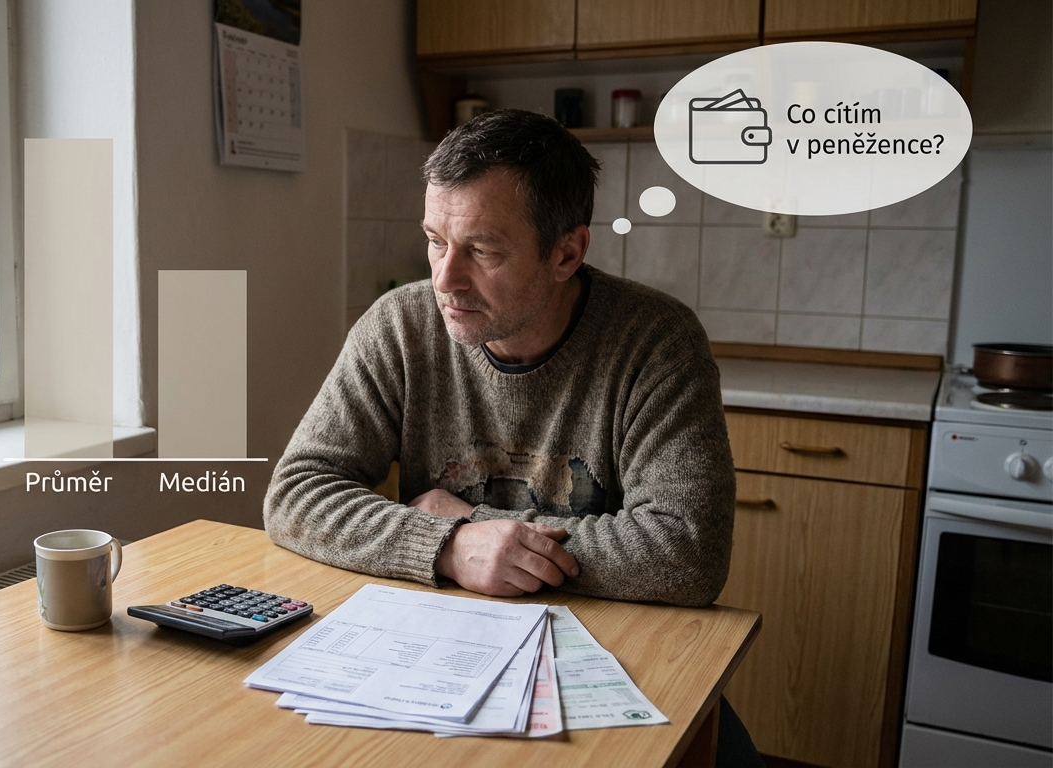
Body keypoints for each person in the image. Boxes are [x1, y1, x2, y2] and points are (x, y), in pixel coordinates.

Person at [264, 108, 762, 765]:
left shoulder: (654, 342)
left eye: (482, 250)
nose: (445, 279)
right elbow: (296, 494)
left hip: (608, 659)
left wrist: (474, 522)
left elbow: (686, 552)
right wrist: (447, 546)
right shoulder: (400, 327)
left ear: (566, 253)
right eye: (435, 240)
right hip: (442, 657)